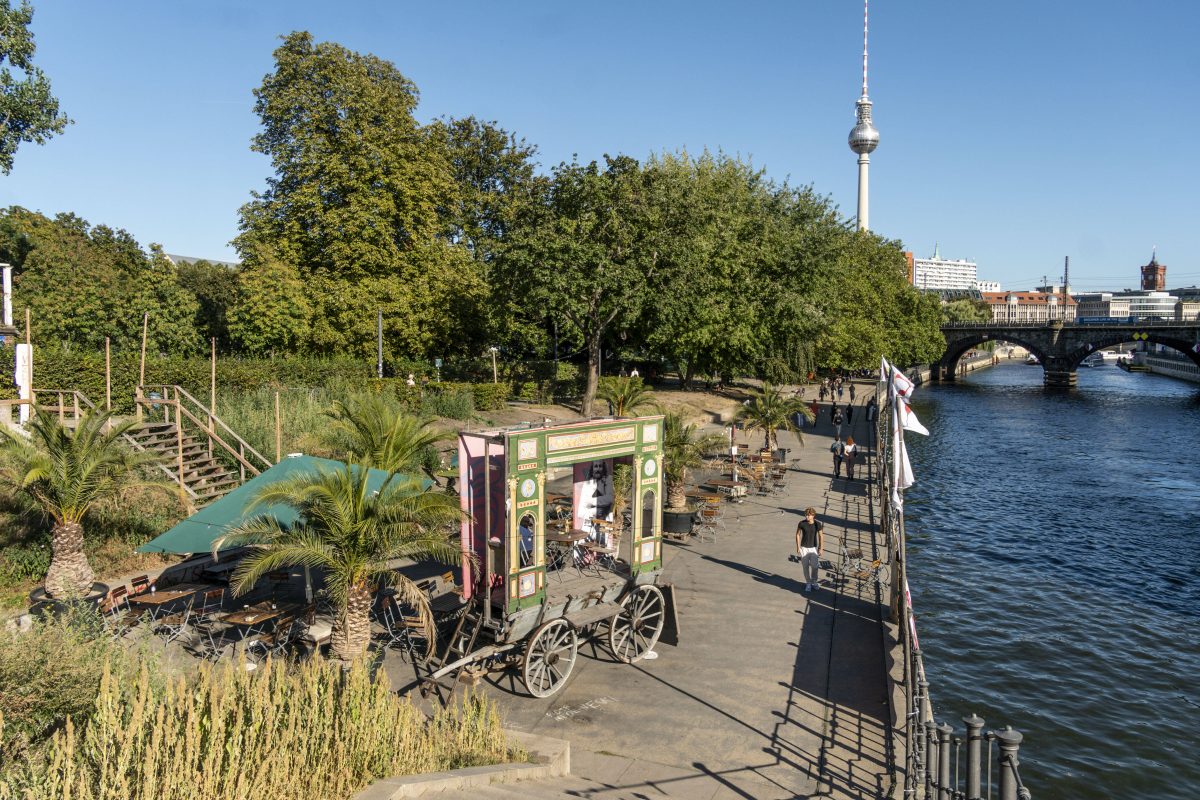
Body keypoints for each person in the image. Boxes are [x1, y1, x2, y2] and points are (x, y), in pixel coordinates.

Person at [794, 507, 824, 593]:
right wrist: (798, 547)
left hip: (813, 548)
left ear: (813, 515)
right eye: (806, 515)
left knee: (815, 566)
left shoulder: (817, 524)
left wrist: (821, 548)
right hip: (804, 548)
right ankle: (808, 582)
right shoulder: (801, 523)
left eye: (809, 515)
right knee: (805, 567)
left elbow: (821, 536)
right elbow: (797, 534)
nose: (807, 517)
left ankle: (814, 581)